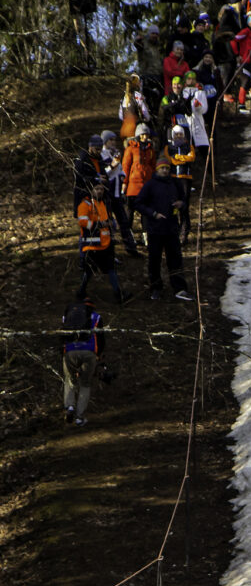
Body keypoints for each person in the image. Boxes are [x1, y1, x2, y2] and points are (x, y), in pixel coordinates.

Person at [134, 157, 193, 301]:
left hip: (172, 228)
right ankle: (156, 288)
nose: (165, 171)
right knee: (154, 260)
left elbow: (184, 201)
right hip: (155, 229)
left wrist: (181, 204)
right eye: (162, 168)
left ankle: (179, 288)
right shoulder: (150, 185)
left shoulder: (175, 183)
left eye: (167, 168)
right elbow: (138, 203)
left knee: (175, 259)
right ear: (157, 169)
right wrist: (153, 214)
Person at [76, 180, 126, 303]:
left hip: (106, 243)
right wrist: (98, 225)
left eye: (101, 189)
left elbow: (108, 220)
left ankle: (118, 294)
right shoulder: (85, 204)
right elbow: (82, 221)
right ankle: (81, 291)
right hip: (92, 245)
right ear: (91, 190)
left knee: (111, 269)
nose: (99, 191)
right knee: (89, 271)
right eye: (96, 189)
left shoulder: (104, 203)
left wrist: (111, 225)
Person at [61, 297, 104, 427]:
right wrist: (99, 355)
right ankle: (79, 418)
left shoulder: (69, 315)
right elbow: (101, 338)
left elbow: (62, 334)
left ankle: (69, 407)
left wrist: (63, 353)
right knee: (85, 384)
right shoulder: (96, 317)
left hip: (70, 351)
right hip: (89, 352)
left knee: (70, 380)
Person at [100, 130, 138, 257]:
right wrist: (112, 166)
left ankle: (131, 247)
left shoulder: (115, 154)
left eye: (114, 140)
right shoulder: (101, 155)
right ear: (105, 141)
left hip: (117, 193)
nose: (113, 142)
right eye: (110, 140)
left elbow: (121, 170)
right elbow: (103, 173)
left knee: (124, 221)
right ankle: (109, 252)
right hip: (107, 193)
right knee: (109, 222)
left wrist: (122, 177)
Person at [121, 123, 156, 245]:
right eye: (142, 135)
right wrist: (124, 183)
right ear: (138, 135)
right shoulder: (131, 149)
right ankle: (128, 236)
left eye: (146, 134)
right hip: (133, 185)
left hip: (146, 185)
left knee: (146, 212)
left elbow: (153, 166)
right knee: (129, 211)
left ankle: (145, 235)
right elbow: (125, 166)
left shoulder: (151, 149)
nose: (144, 137)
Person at [73, 134, 107, 217]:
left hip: (99, 196)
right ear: (90, 147)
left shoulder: (99, 158)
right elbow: (79, 178)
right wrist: (96, 179)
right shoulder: (82, 160)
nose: (99, 151)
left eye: (101, 149)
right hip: (85, 195)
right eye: (97, 149)